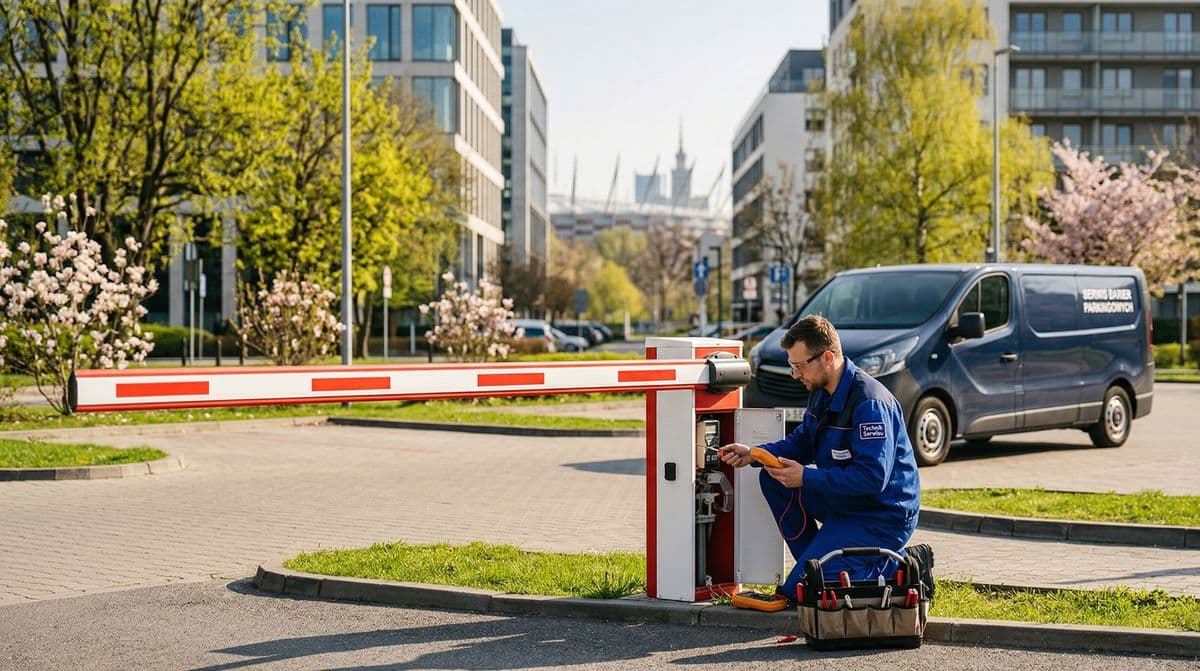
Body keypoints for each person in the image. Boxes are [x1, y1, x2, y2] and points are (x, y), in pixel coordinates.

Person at [718, 315, 922, 602]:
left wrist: (806, 476)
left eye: (799, 366)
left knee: (799, 592)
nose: (795, 374)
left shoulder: (870, 404)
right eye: (792, 367)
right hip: (846, 505)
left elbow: (873, 479)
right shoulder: (822, 392)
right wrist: (754, 453)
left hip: (880, 516)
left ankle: (897, 564)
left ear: (827, 357)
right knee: (772, 475)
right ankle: (817, 564)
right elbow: (802, 442)